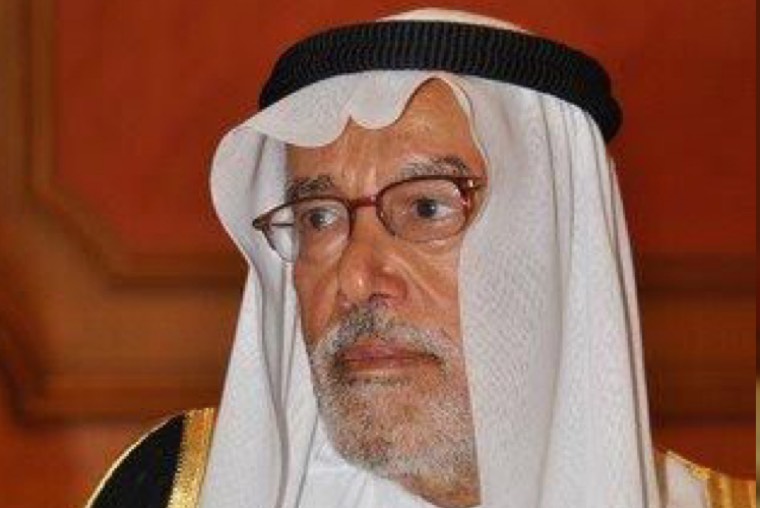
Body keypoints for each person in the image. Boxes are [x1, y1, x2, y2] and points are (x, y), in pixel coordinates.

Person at [84, 9, 755, 508]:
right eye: (319, 218)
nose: (354, 278)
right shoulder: (172, 492)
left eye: (428, 208)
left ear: (550, 246)